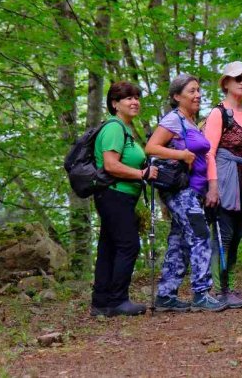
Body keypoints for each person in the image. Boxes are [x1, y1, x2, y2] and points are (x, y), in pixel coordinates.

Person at [145, 74, 228, 313]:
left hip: (193, 191)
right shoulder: (173, 120)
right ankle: (201, 293)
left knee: (179, 242)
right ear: (176, 96)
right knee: (200, 235)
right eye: (191, 91)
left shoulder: (190, 121)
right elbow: (151, 147)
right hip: (181, 191)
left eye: (199, 90)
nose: (198, 95)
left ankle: (166, 295)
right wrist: (181, 155)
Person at [90, 81, 157, 317]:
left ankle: (101, 302)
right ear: (114, 104)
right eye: (128, 98)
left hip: (120, 195)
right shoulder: (114, 128)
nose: (135, 101)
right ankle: (118, 300)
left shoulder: (125, 129)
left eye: (137, 97)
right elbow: (110, 165)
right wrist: (142, 173)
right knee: (129, 245)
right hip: (114, 194)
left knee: (109, 247)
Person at [205, 61, 242, 308]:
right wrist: (213, 186)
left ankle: (227, 287)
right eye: (238, 78)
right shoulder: (218, 114)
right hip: (225, 181)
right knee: (223, 236)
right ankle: (218, 290)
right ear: (226, 83)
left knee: (237, 236)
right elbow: (209, 152)